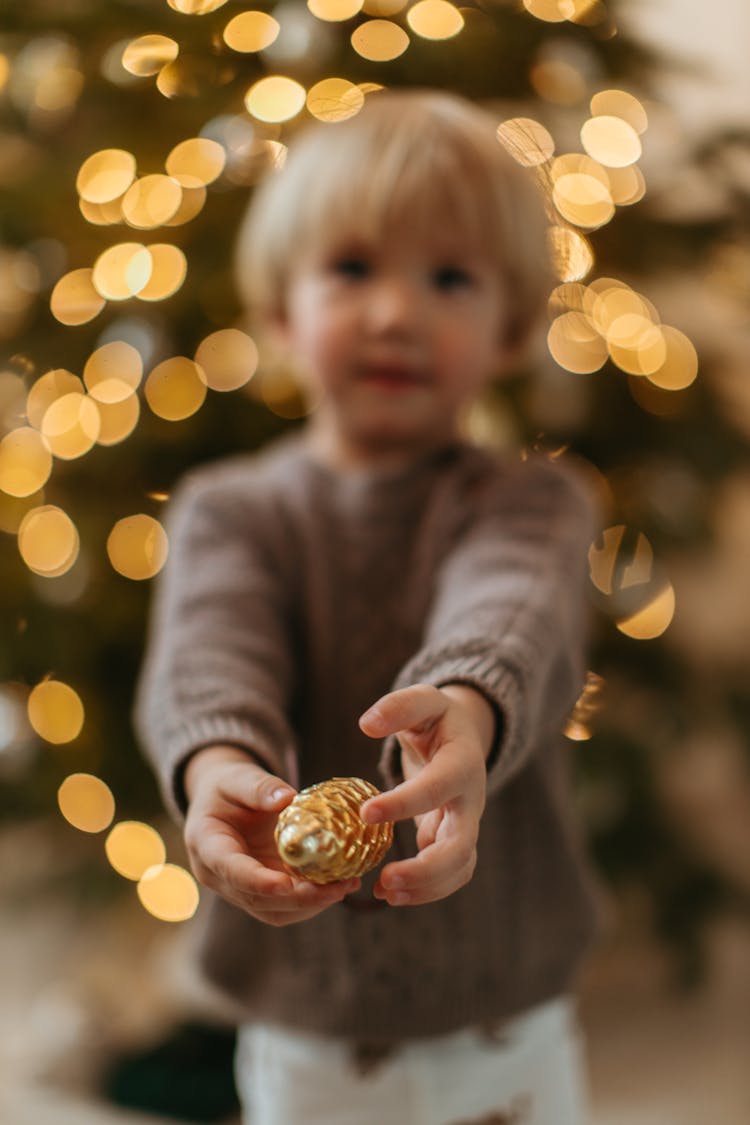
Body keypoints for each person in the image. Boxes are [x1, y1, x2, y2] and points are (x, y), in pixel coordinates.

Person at [134, 89, 602, 1125]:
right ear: (279, 311)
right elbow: (210, 658)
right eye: (352, 269)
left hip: (506, 1023)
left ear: (512, 327)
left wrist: (466, 712)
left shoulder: (535, 502)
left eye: (448, 277)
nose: (395, 311)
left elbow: (509, 609)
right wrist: (218, 769)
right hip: (306, 1026)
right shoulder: (229, 511)